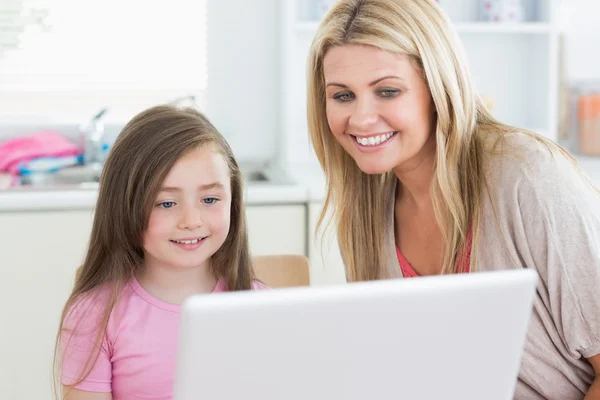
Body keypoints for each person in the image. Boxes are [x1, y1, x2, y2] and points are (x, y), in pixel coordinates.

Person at [306, 0, 600, 399]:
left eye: (387, 91)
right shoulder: (366, 212)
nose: (360, 119)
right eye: (342, 96)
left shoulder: (526, 177)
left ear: (438, 87)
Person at [54, 105, 267, 399]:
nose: (191, 221)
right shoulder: (95, 316)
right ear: (125, 207)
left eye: (209, 199)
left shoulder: (260, 305)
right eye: (166, 203)